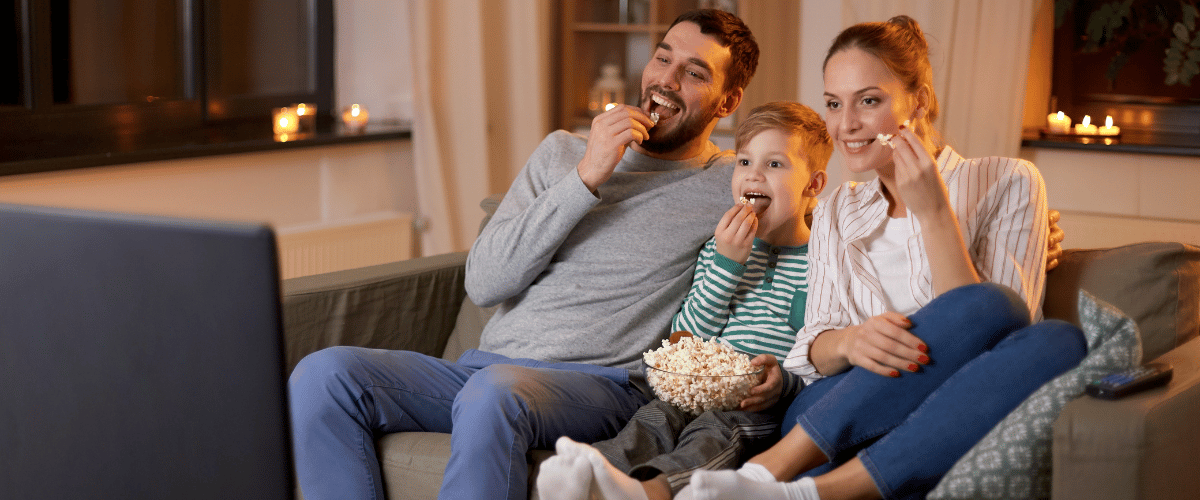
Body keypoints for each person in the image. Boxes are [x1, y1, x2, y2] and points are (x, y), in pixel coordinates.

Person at [287, 9, 760, 500]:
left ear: (727, 101)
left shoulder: (728, 184)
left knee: (494, 391)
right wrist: (585, 176)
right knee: (323, 375)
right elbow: (486, 282)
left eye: (694, 73)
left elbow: (804, 205)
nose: (667, 79)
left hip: (603, 386)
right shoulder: (562, 153)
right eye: (663, 58)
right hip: (483, 371)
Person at [686, 16, 1088, 500]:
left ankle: (803, 491)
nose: (846, 124)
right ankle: (776, 468)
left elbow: (997, 341)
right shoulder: (837, 207)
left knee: (1056, 340)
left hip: (948, 408)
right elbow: (810, 345)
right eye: (834, 103)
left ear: (917, 101)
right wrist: (851, 342)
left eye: (869, 101)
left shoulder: (1009, 182)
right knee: (994, 305)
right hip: (832, 411)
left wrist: (934, 212)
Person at [535, 101, 833, 500]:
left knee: (715, 432)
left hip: (756, 407)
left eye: (775, 165)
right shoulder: (719, 248)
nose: (754, 174)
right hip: (696, 389)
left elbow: (821, 362)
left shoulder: (825, 266)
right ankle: (592, 473)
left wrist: (784, 387)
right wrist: (727, 265)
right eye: (744, 162)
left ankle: (652, 491)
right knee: (653, 419)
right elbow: (686, 338)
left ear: (813, 185)